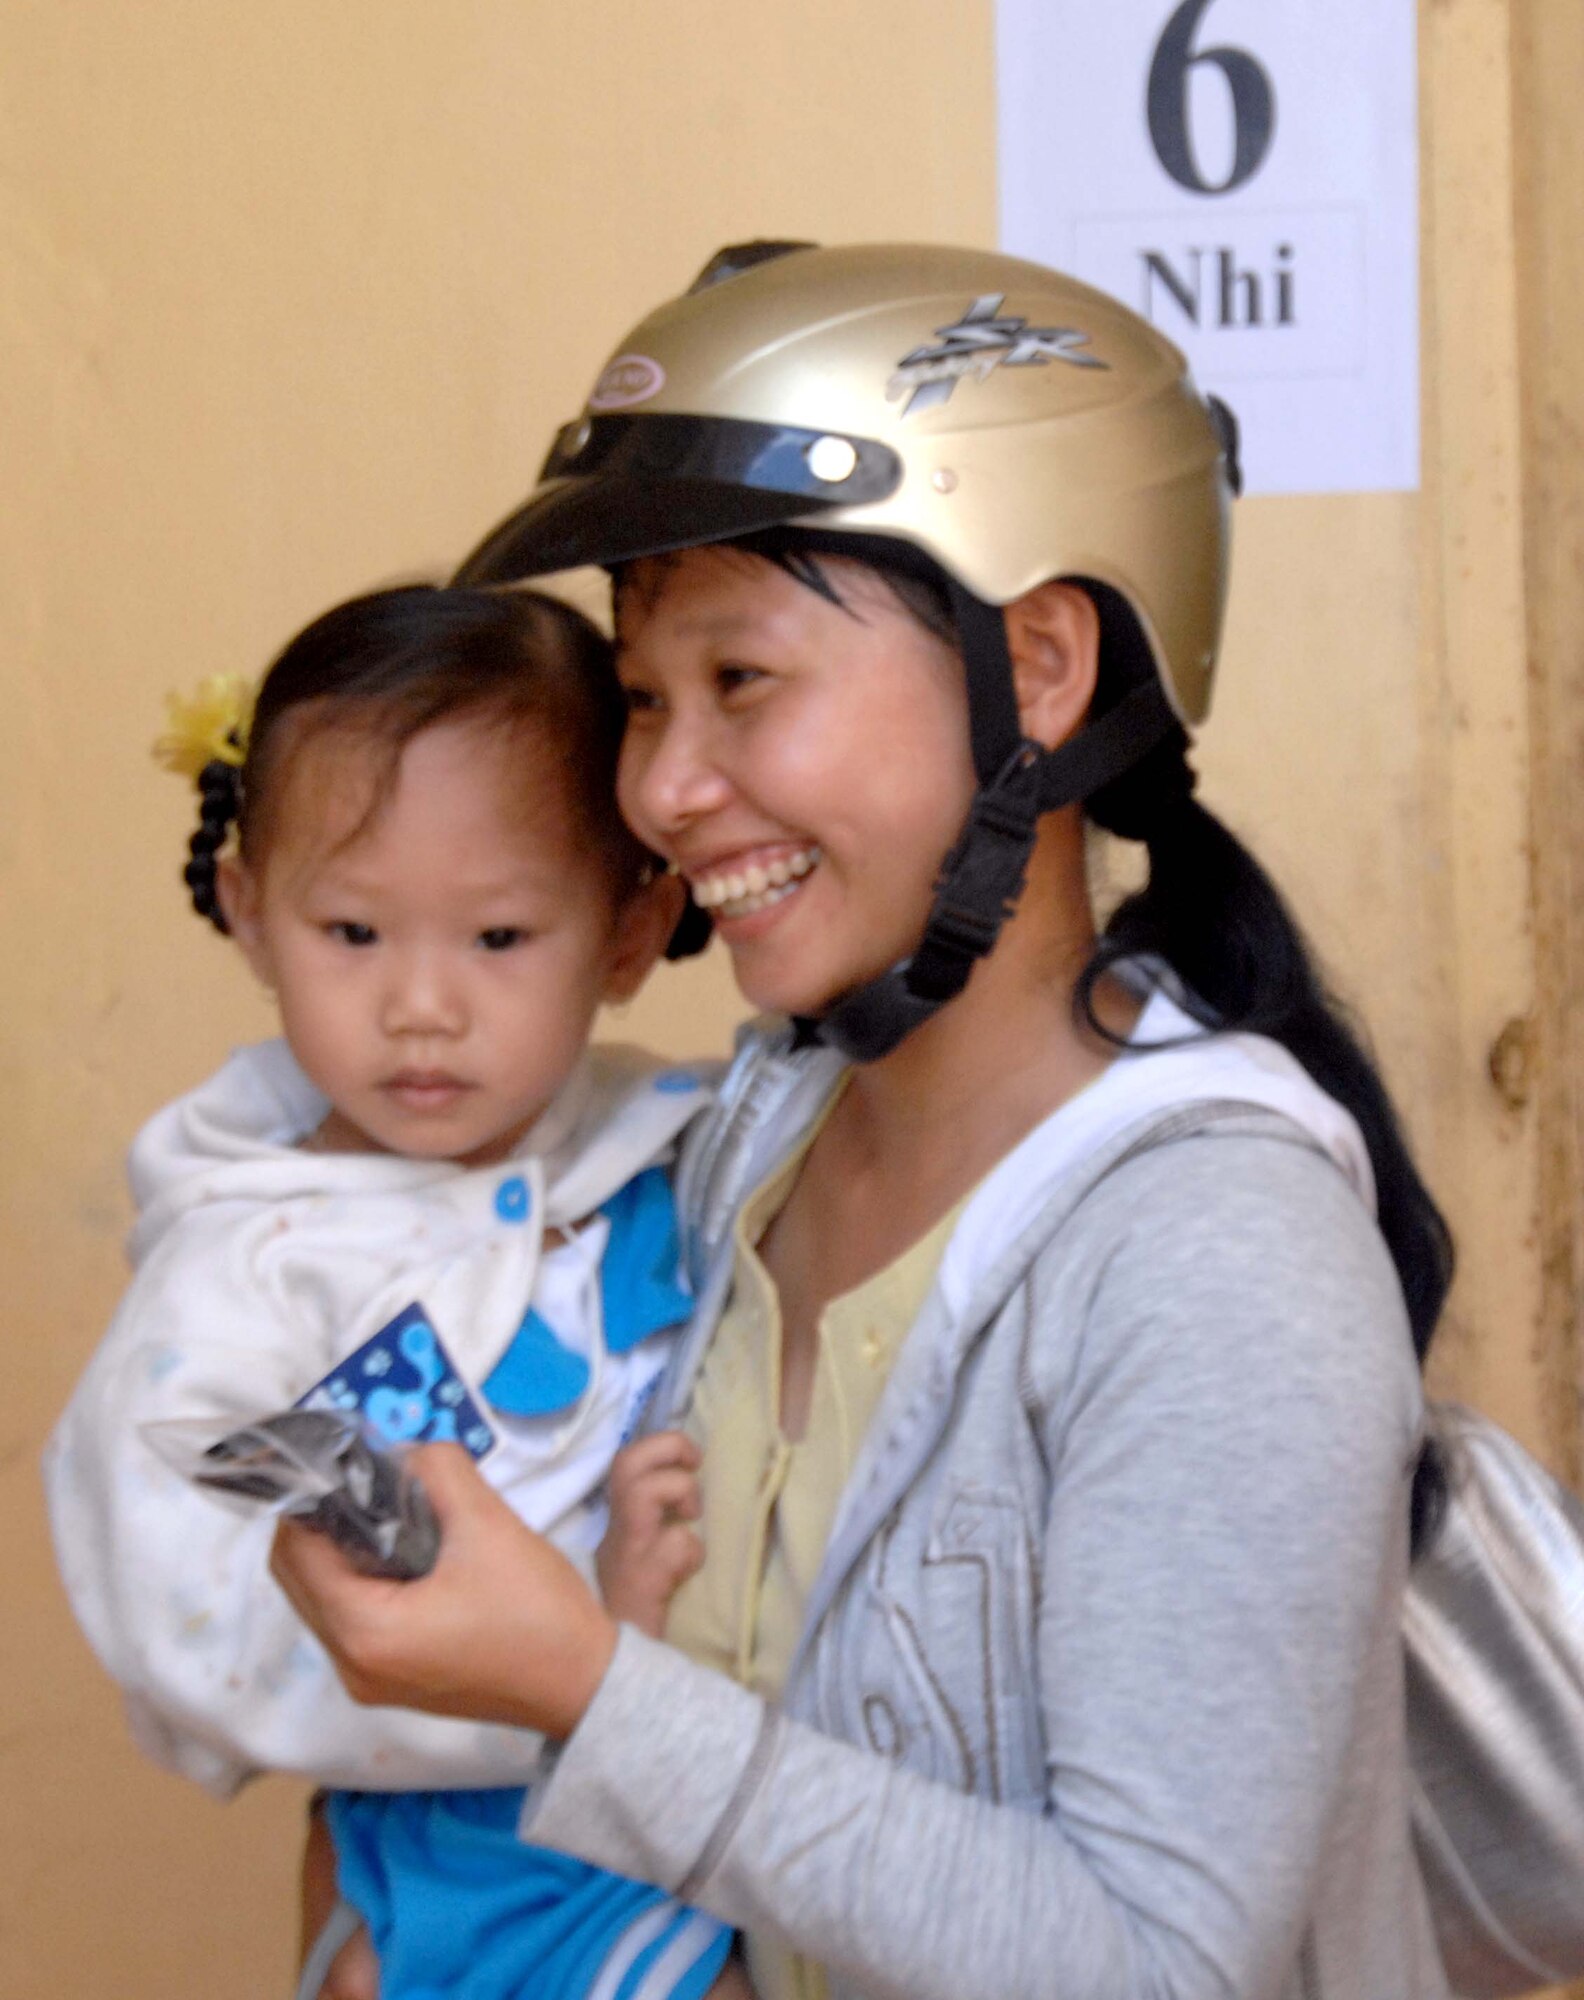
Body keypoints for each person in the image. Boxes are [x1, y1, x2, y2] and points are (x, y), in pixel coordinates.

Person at [272, 243, 1456, 2000]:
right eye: (645, 698)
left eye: (742, 681)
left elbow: (1158, 1962)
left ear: (1038, 669)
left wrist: (584, 1690)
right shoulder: (741, 1140)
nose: (661, 790)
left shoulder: (1218, 1255)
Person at [43, 584, 749, 2000]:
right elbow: (191, 1635)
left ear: (628, 931)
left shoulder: (696, 1140)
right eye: (353, 934)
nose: (421, 1005)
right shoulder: (248, 1275)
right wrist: (588, 1666)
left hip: (713, 1836)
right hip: (456, 1856)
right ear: (249, 912)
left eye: (498, 940)